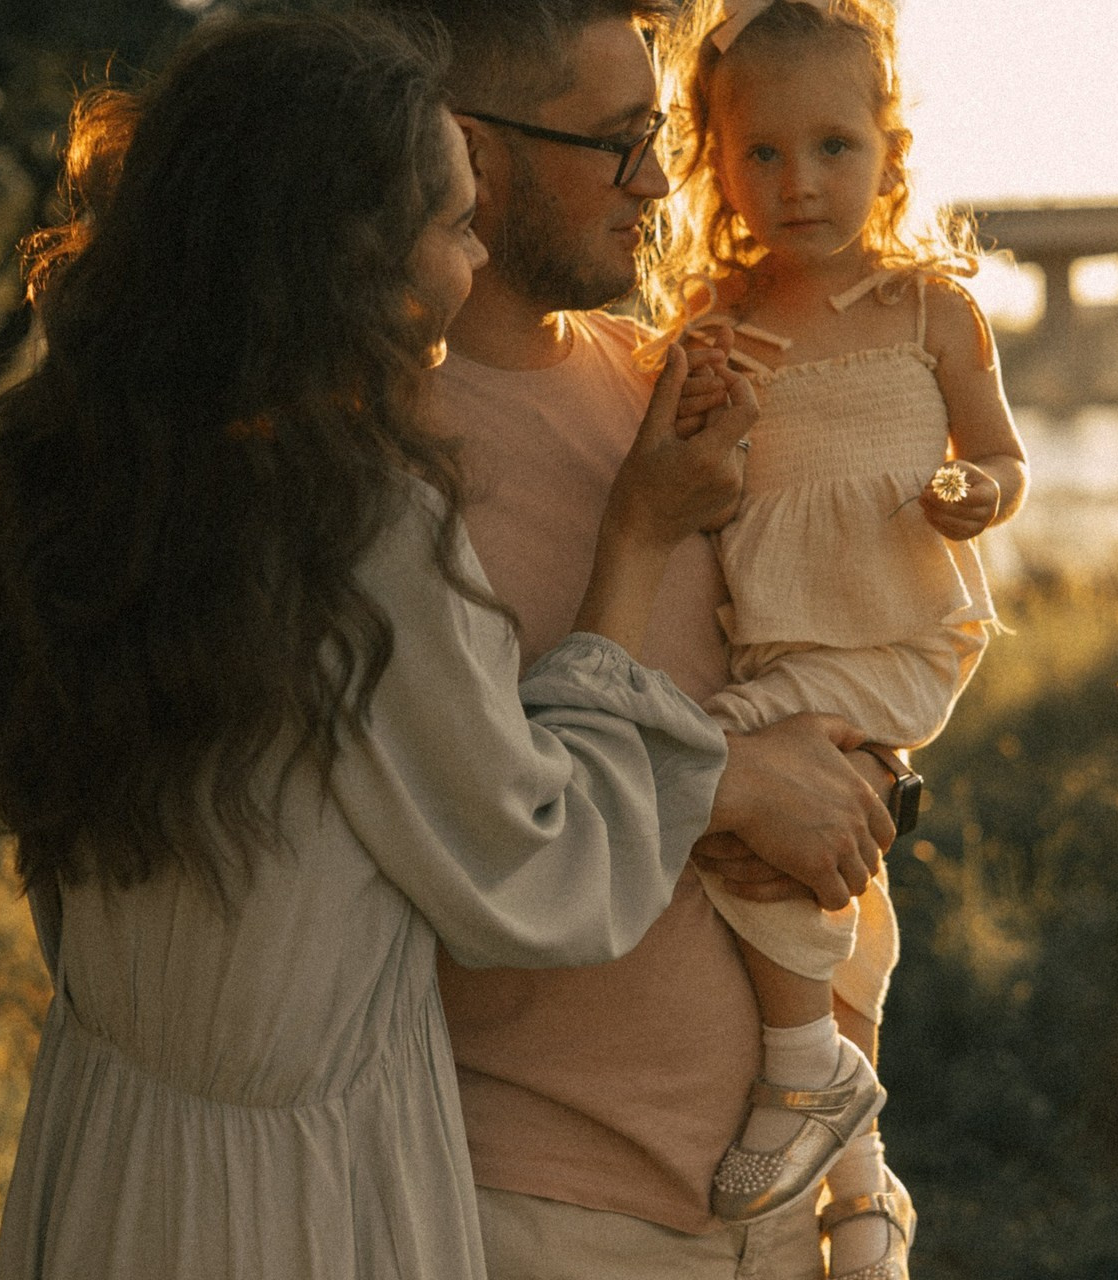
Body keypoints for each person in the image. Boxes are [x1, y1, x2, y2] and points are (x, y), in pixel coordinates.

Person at [0, 13, 763, 1279]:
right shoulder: (359, 516)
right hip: (296, 1196)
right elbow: (533, 864)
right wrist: (636, 541)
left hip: (105, 1148)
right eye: (451, 221)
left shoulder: (101, 477)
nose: (476, 258)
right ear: (342, 255)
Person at [366, 2, 901, 1277]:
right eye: (615, 140)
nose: (660, 179)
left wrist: (861, 769)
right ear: (469, 153)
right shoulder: (378, 458)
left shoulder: (675, 376)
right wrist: (729, 782)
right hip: (540, 1208)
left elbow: (814, 697)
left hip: (780, 1197)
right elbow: (462, 835)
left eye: (656, 132)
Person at [646, 0, 1029, 1273]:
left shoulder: (927, 309)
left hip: (891, 628)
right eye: (761, 153)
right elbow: (687, 492)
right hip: (779, 643)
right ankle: (859, 1193)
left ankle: (806, 1066)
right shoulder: (712, 319)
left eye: (832, 149)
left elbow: (998, 454)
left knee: (695, 772)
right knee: (812, 857)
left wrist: (973, 492)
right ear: (714, 159)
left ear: (888, 150)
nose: (798, 182)